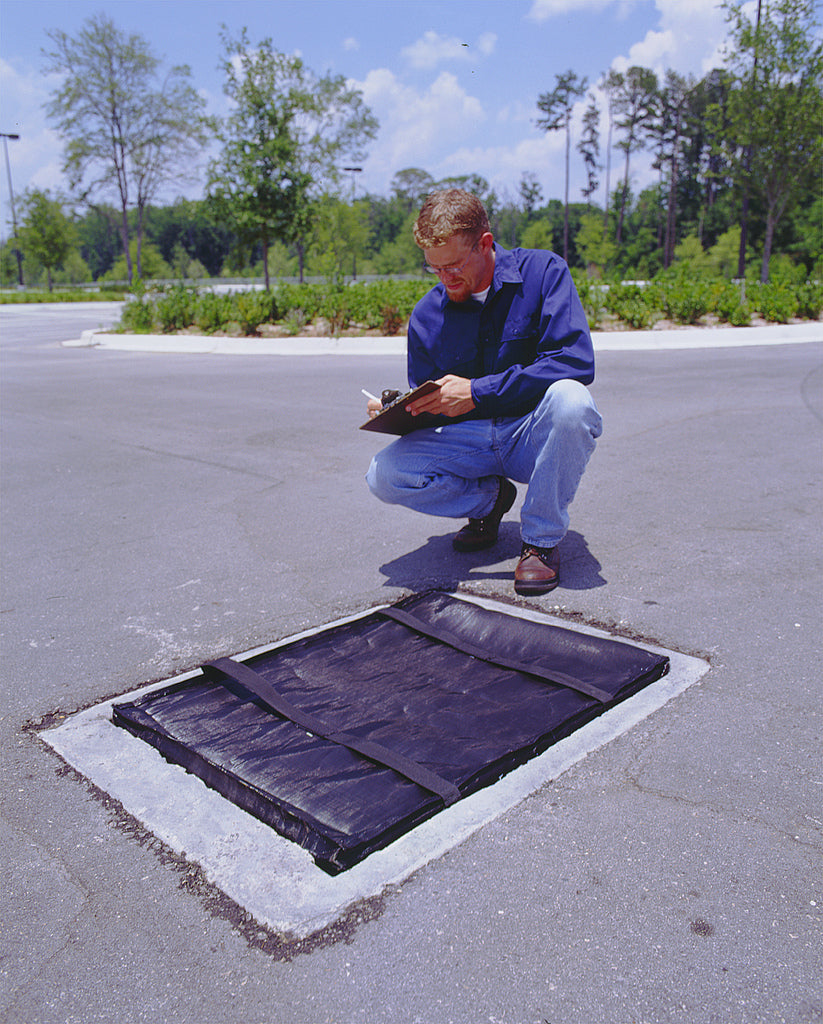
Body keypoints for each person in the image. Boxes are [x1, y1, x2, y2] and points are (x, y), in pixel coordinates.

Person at [365, 188, 602, 596]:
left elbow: (575, 361)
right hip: (472, 442)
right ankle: (490, 501)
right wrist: (400, 411)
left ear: (486, 244)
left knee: (572, 402)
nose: (445, 278)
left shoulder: (544, 272)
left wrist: (477, 391)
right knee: (383, 475)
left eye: (454, 265)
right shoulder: (426, 315)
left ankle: (541, 543)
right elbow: (434, 404)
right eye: (434, 269)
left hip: (532, 436)